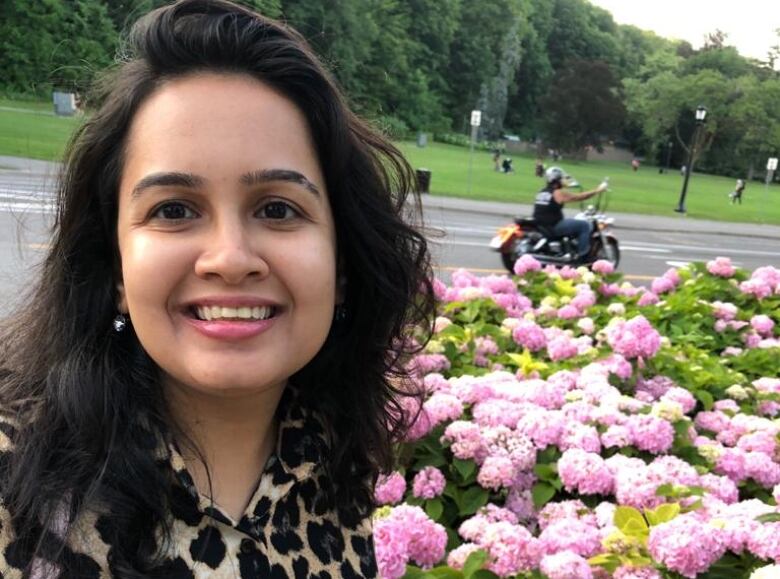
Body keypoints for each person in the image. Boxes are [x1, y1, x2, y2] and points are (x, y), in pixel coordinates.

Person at [0, 1, 434, 577]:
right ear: (118, 271)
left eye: (278, 208)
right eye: (174, 209)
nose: (230, 258)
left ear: (342, 266)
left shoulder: (334, 465)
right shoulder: (14, 486)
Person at [532, 166, 607, 264]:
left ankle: (568, 249)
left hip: (541, 224)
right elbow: (579, 197)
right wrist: (598, 190)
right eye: (561, 179)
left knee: (571, 223)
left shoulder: (542, 192)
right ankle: (582, 257)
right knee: (584, 225)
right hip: (554, 226)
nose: (563, 181)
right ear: (557, 180)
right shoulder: (558, 193)